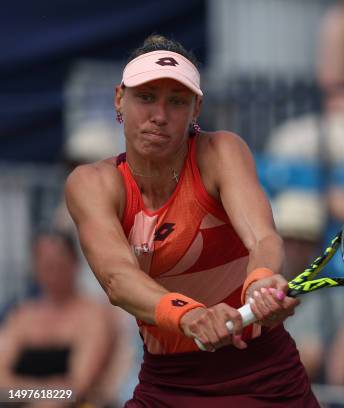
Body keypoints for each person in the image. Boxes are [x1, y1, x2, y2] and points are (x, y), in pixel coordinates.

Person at [64, 35, 317, 406]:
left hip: (265, 376)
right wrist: (191, 316)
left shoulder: (221, 151)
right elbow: (118, 279)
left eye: (177, 102)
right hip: (168, 384)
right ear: (120, 98)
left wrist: (261, 283)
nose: (160, 116)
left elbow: (262, 238)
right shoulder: (91, 183)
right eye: (146, 97)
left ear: (196, 109)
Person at [0, 231, 122, 405]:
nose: (53, 271)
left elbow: (78, 387)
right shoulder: (22, 316)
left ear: (74, 263)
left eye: (59, 263)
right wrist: (40, 391)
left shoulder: (93, 316)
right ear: (36, 267)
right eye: (47, 264)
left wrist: (32, 395)